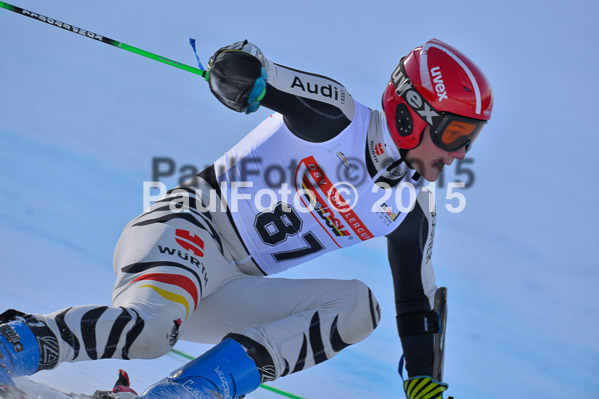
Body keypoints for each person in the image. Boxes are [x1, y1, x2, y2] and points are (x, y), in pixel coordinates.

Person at [0, 38, 493, 399]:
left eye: (470, 139)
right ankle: (11, 345)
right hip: (190, 231)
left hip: (231, 285)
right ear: (410, 114)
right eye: (454, 134)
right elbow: (267, 77)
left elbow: (416, 302)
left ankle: (186, 395)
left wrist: (424, 385)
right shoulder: (339, 117)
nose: (460, 154)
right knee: (150, 333)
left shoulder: (411, 206)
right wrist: (241, 73)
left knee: (358, 307)